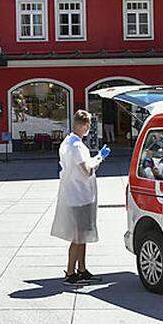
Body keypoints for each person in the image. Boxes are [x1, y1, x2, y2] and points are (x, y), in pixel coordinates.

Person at [51, 109, 110, 285]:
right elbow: (86, 169)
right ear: (82, 125)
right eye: (88, 125)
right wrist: (100, 157)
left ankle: (82, 269)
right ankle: (70, 273)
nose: (89, 128)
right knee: (78, 236)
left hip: (76, 193)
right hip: (80, 194)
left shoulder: (68, 141)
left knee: (82, 234)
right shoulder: (76, 146)